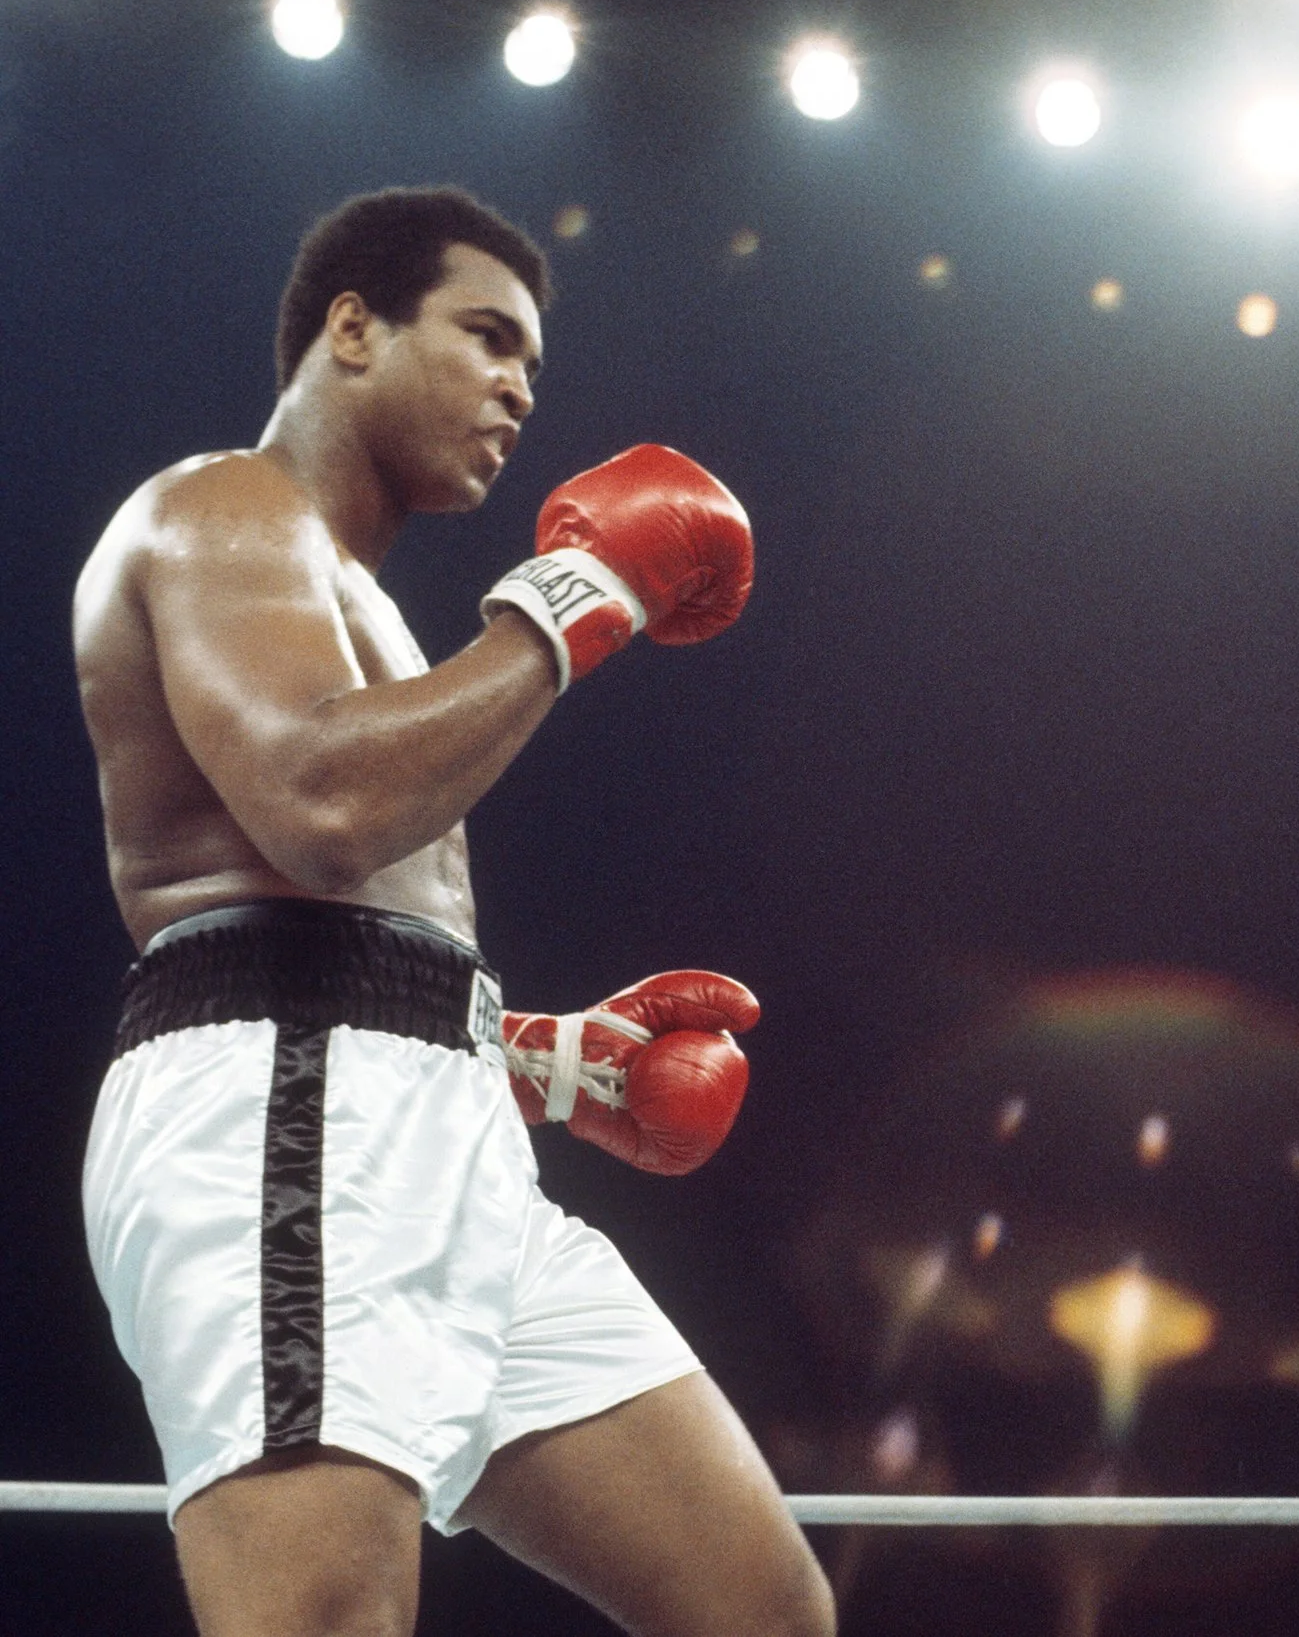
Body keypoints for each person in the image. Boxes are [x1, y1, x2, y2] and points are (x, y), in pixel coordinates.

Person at [70, 187, 836, 1637]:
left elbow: (347, 922)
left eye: (533, 368)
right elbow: (321, 807)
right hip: (281, 1126)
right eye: (487, 339)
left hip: (430, 1137)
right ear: (352, 329)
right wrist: (577, 595)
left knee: (762, 1607)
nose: (516, 391)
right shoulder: (221, 509)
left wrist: (541, 1059)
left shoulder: (359, 600)